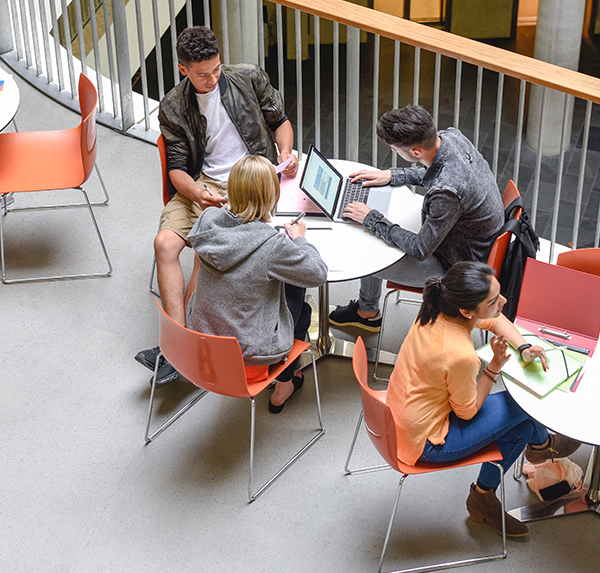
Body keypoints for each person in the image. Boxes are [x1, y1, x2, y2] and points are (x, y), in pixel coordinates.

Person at [136, 26, 297, 385]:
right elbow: (176, 169)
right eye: (202, 74)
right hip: (201, 185)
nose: (212, 79)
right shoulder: (174, 106)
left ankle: (183, 349)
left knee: (203, 255)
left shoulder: (249, 77)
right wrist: (196, 193)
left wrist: (284, 152)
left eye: (216, 69)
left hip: (247, 180)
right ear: (183, 70)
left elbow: (280, 122)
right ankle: (179, 343)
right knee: (164, 244)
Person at [386, 261, 580, 537]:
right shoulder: (460, 355)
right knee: (525, 403)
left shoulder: (436, 309)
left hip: (398, 417)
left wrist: (523, 346)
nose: (504, 300)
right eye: (494, 300)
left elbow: (495, 319)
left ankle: (525, 459)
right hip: (427, 443)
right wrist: (493, 368)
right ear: (467, 310)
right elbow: (467, 412)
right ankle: (542, 447)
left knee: (523, 427)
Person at [328, 105, 504, 332]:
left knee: (368, 257)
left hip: (457, 266)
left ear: (416, 152)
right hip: (476, 246)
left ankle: (367, 312)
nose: (394, 152)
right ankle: (367, 310)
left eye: (395, 149)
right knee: (381, 234)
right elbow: (436, 171)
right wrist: (393, 175)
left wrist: (371, 218)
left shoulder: (447, 192)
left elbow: (420, 248)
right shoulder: (451, 137)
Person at [187, 155, 327, 411]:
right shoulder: (273, 245)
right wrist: (300, 239)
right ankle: (285, 383)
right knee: (302, 304)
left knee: (283, 281)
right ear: (272, 197)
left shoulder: (207, 220)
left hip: (201, 348)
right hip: (247, 363)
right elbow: (318, 273)